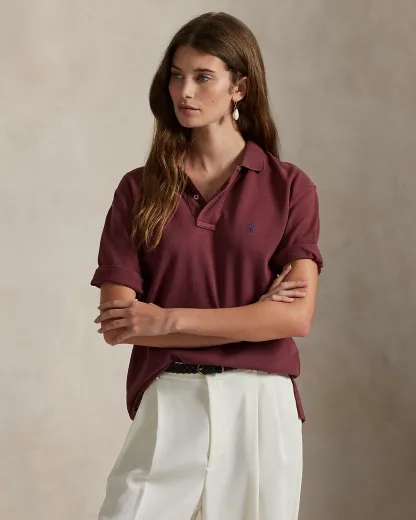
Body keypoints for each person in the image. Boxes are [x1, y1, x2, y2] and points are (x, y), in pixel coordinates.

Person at [91, 11, 323, 520]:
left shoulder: (290, 188)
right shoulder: (139, 189)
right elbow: (119, 323)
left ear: (240, 87)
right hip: (169, 398)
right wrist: (252, 316)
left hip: (259, 404)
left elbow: (294, 317)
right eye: (177, 76)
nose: (185, 91)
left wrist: (165, 319)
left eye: (203, 77)